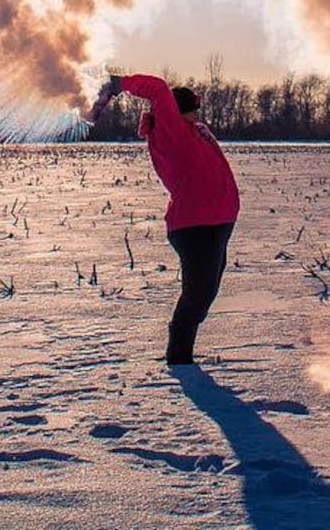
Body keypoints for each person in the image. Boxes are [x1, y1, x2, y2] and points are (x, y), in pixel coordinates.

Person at [85, 73, 241, 365]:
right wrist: (116, 84)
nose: (198, 111)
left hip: (217, 224)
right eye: (193, 105)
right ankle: (180, 361)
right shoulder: (172, 132)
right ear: (177, 109)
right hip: (196, 226)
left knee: (204, 296)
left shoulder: (194, 130)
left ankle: (182, 353)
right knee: (197, 297)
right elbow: (157, 88)